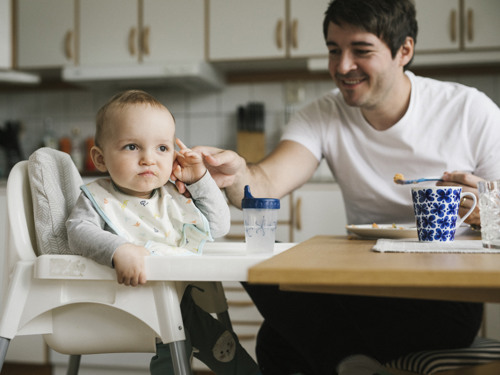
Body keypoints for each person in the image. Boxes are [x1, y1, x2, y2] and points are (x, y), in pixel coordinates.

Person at [174, 0, 500, 374]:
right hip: (362, 283)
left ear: (404, 51)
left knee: (277, 340)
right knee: (269, 294)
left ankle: (347, 363)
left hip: (443, 294)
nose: (343, 66)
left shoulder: (470, 111)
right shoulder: (323, 114)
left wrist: (484, 214)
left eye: (360, 51)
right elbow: (264, 184)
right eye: (334, 50)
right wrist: (235, 174)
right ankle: (352, 364)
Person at [66, 90, 259, 375]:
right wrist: (118, 249)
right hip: (126, 301)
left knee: (223, 344)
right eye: (132, 147)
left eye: (162, 148)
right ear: (100, 158)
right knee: (188, 343)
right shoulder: (100, 198)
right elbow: (77, 231)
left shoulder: (171, 196)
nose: (148, 159)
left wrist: (200, 181)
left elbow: (219, 226)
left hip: (178, 299)